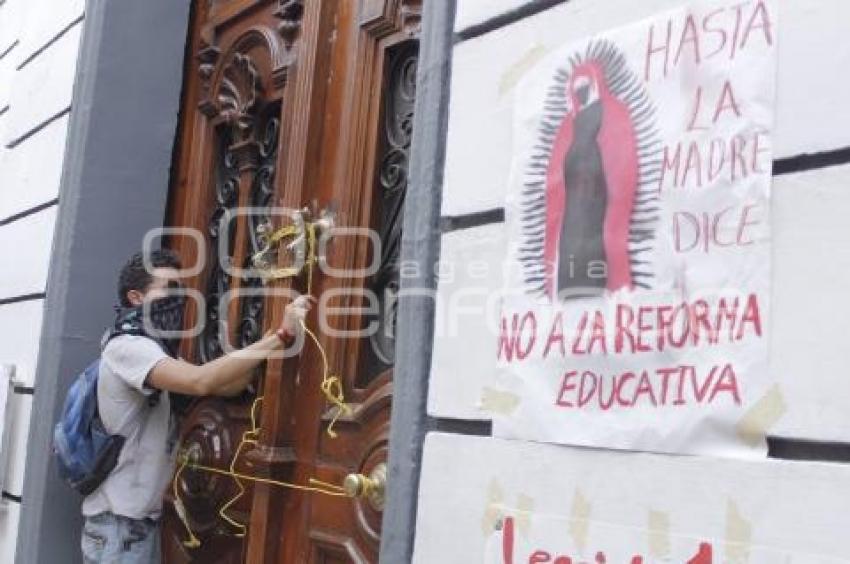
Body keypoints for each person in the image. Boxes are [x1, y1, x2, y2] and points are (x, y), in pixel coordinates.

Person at [80, 250, 312, 563]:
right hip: (118, 530)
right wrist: (280, 336)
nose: (178, 299)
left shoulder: (154, 351)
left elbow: (224, 385)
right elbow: (200, 381)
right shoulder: (128, 347)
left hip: (133, 526)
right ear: (136, 297)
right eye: (168, 289)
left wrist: (266, 342)